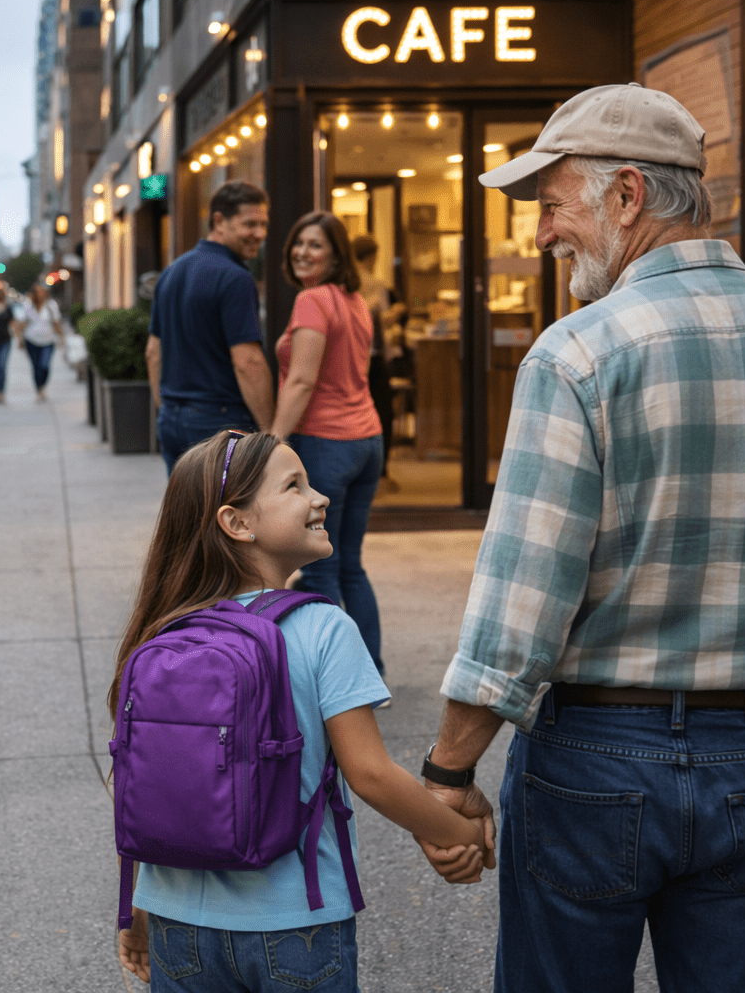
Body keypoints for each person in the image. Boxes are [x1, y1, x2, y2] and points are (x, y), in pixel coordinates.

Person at [417, 82, 745, 992]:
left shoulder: (581, 353)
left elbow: (521, 604)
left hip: (598, 760)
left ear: (627, 195)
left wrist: (448, 768)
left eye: (553, 205)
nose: (541, 233)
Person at [108, 430, 492, 989]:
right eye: (295, 486)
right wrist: (460, 833)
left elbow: (142, 789)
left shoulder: (163, 634)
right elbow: (371, 774)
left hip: (177, 925)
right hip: (296, 926)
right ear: (237, 523)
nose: (321, 498)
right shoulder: (322, 627)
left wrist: (136, 914)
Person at [271, 212, 386, 685]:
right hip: (366, 440)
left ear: (337, 255)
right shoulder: (355, 299)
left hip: (327, 443)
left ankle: (344, 684)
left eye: (315, 246)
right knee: (348, 564)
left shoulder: (313, 300)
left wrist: (273, 442)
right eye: (298, 243)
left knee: (321, 568)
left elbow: (302, 379)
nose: (302, 253)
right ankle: (373, 674)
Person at [146, 181, 275, 474]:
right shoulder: (236, 278)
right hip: (220, 423)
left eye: (264, 225)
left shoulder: (171, 273)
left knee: (187, 516)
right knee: (226, 516)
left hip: (173, 420)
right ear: (219, 220)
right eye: (250, 224)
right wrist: (269, 434)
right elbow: (248, 362)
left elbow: (154, 352)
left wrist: (166, 408)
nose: (260, 234)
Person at [351, 234, 398, 491]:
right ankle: (379, 472)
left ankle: (361, 470)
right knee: (381, 414)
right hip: (372, 357)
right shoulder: (374, 284)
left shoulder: (344, 282)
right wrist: (398, 313)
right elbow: (383, 322)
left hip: (352, 358)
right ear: (370, 257)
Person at [18, 284, 63, 401]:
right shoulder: (28, 306)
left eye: (41, 291)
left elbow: (56, 322)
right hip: (31, 340)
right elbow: (22, 324)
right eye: (37, 292)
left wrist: (61, 337)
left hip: (48, 340)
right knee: (36, 365)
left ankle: (42, 384)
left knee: (44, 365)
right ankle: (39, 388)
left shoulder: (51, 306)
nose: (39, 294)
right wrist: (20, 339)